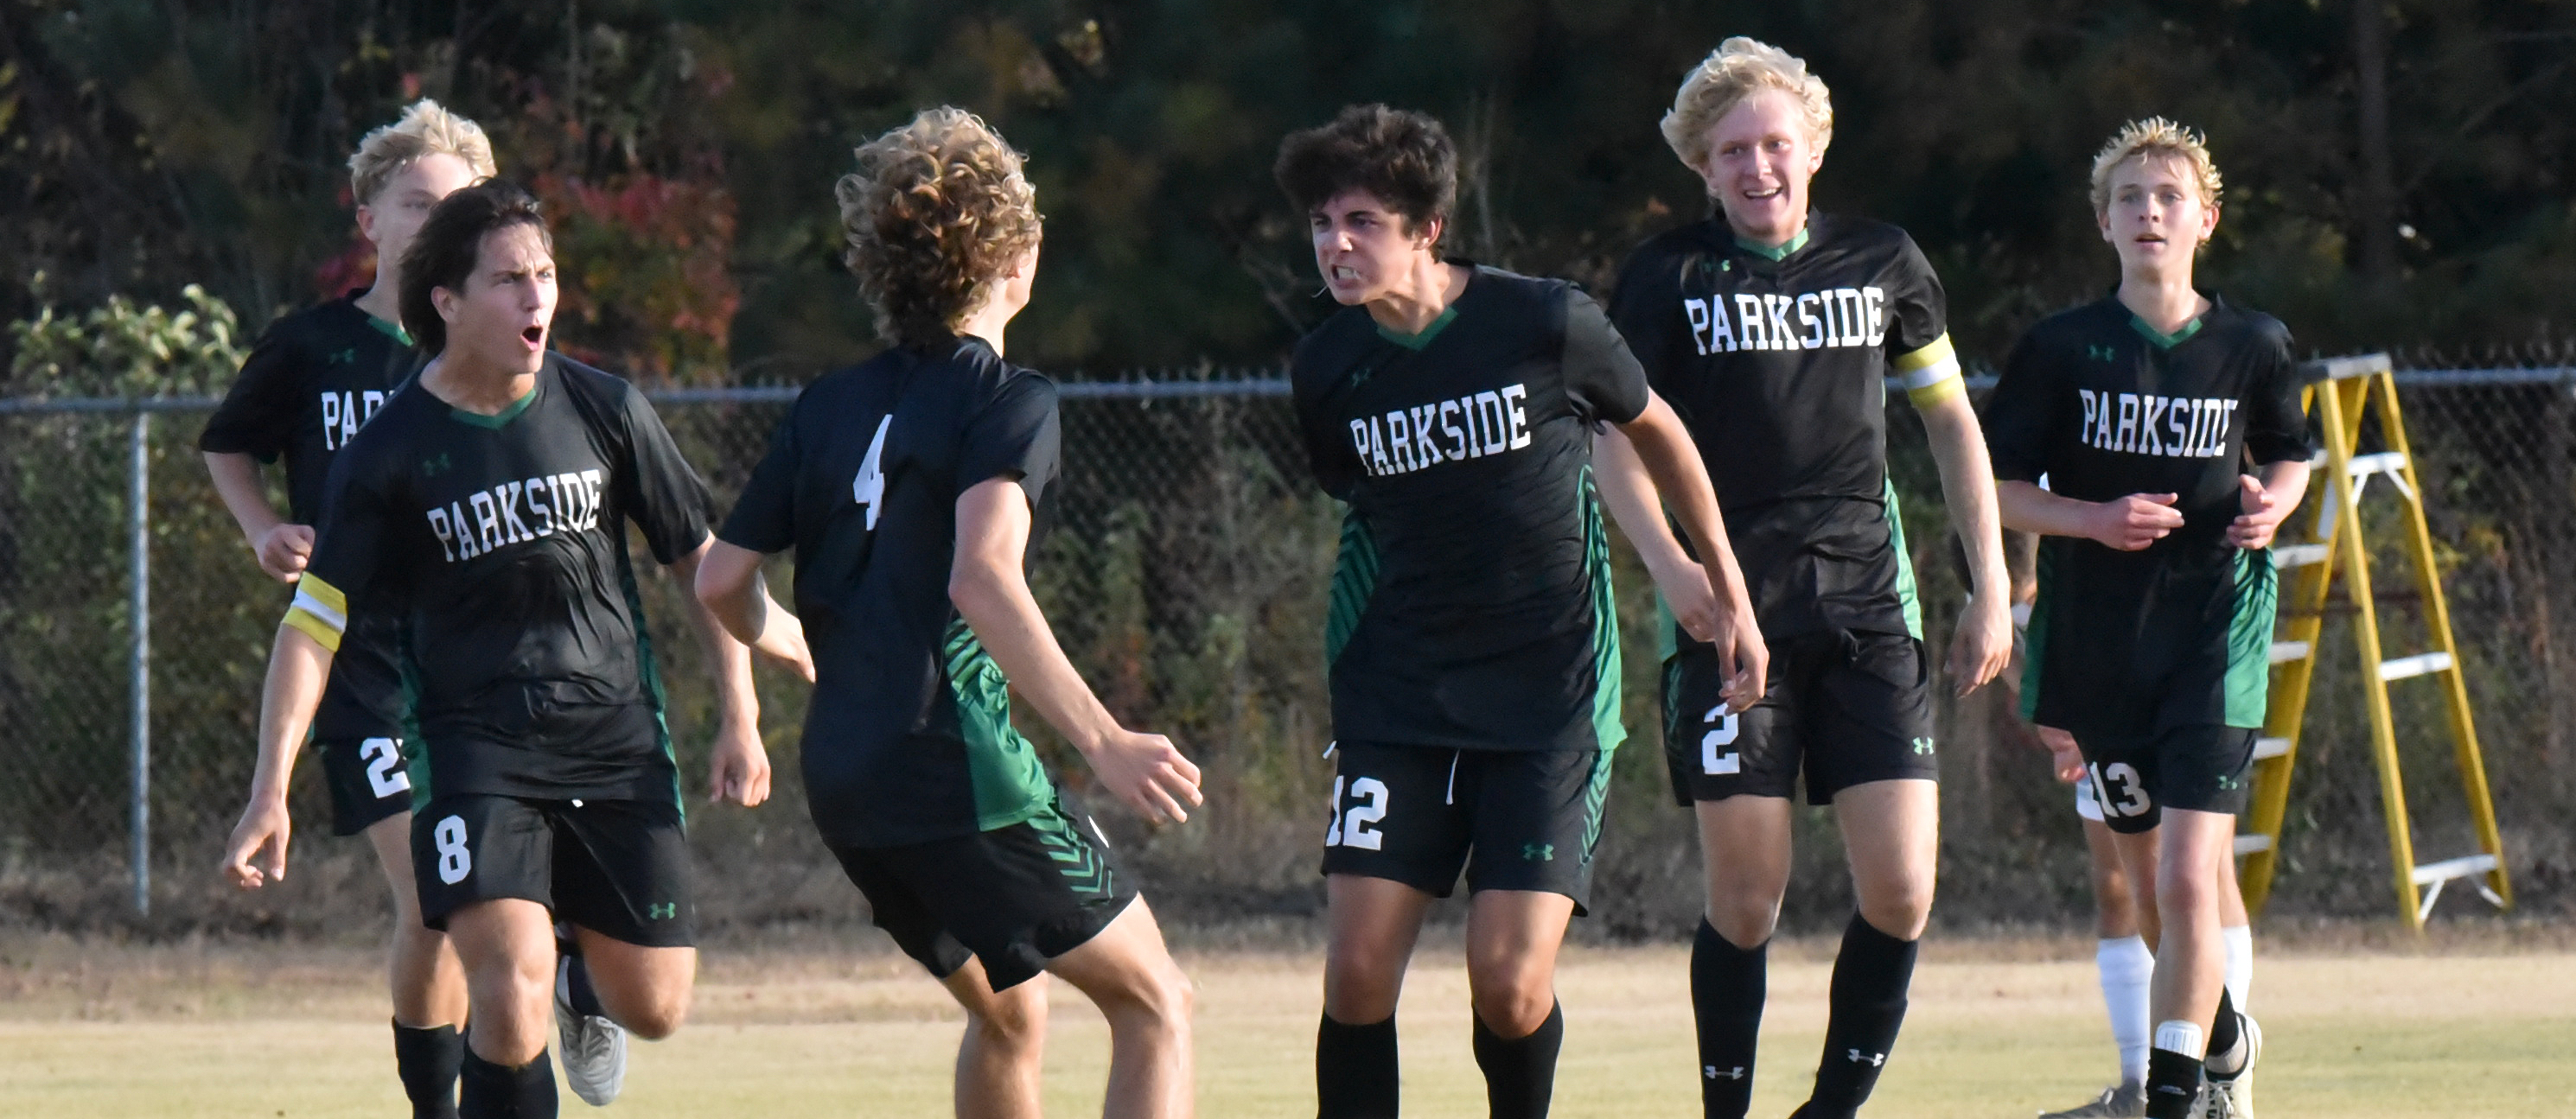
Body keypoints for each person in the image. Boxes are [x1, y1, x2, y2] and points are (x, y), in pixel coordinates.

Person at [220, 180, 808, 1119]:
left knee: (653, 1005)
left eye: (544, 274)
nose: (537, 296)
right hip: (473, 749)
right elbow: (313, 622)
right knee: (507, 979)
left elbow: (702, 566)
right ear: (446, 302)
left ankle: (585, 972)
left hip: (614, 740)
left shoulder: (606, 406)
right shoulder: (389, 452)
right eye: (507, 280)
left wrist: (742, 708)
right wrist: (269, 786)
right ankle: (538, 978)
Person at [694, 106, 1200, 1119]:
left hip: (844, 777)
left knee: (1012, 1011)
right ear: (1020, 256)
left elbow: (718, 580)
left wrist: (791, 641)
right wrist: (1101, 739)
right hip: (954, 769)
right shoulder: (1007, 397)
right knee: (1156, 1003)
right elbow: (983, 576)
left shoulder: (829, 402)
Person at [1278, 103, 1766, 1119]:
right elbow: (1362, 517)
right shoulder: (1326, 368)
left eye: (1362, 220)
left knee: (1505, 981)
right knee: (1358, 970)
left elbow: (1658, 431)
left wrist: (1719, 580)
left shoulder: (1542, 321)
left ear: (1427, 228)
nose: (1335, 243)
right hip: (1396, 697)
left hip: (1547, 699)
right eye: (1323, 222)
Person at [1603, 37, 2014, 1119]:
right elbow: (1610, 443)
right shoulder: (1664, 279)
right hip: (1731, 623)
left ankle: (1826, 1111)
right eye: (1731, 150)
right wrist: (1674, 569)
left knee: (1904, 889)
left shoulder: (1882, 261)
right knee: (1746, 899)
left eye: (1774, 143)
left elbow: (1950, 423)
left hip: (1870, 611)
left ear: (1814, 147)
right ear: (1702, 164)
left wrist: (1991, 586)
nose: (1756, 167)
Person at [1986, 118, 2306, 1119]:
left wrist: (2279, 499)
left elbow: (2289, 449)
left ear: (2205, 218)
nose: (2149, 211)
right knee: (2148, 887)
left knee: (2183, 872)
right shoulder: (2060, 347)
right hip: (2098, 643)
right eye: (2130, 198)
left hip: (2214, 632)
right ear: (2104, 222)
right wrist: (2088, 516)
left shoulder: (2250, 342)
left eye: (2168, 196)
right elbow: (1991, 488)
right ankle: (2225, 1042)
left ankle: (2173, 1099)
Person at [200, 98, 491, 1119]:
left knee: (478, 905)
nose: (432, 222)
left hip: (480, 662)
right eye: (414, 202)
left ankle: (565, 995)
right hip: (359, 662)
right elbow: (226, 442)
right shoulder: (314, 345)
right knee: (435, 898)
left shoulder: (491, 350)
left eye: (454, 206)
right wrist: (260, 526)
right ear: (369, 218)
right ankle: (439, 1103)